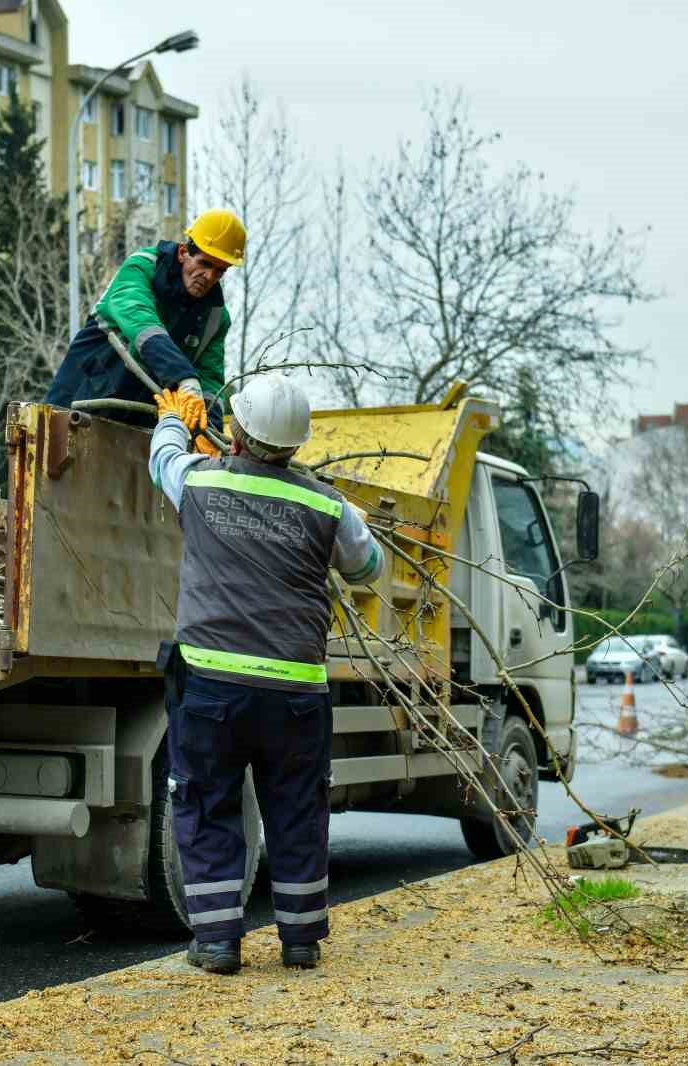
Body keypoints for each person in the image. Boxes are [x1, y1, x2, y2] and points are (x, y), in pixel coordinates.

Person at [147, 376, 385, 975]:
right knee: (297, 809)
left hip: (210, 688)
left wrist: (176, 416)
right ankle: (300, 940)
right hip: (296, 696)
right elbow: (369, 567)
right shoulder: (327, 506)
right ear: (297, 445)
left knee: (206, 805)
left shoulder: (201, 481)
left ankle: (219, 941)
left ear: (237, 431)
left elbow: (162, 460)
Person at [46, 209, 246, 458]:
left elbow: (210, 379)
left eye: (220, 271)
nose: (209, 277)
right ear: (184, 252)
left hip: (139, 431)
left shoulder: (216, 317)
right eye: (205, 263)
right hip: (75, 407)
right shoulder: (140, 269)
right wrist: (184, 378)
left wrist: (210, 435)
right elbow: (144, 326)